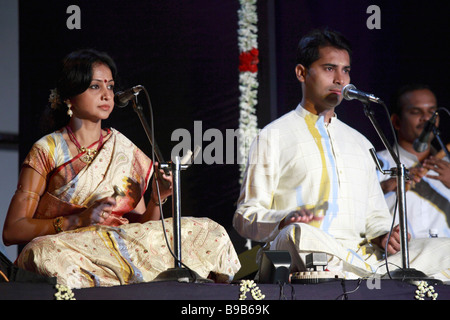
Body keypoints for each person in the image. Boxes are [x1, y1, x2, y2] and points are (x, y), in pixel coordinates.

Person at [2, 49, 240, 288]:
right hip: (71, 247)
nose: (107, 95)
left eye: (110, 86)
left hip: (120, 245)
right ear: (69, 97)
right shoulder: (48, 149)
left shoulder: (125, 151)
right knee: (43, 252)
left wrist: (158, 198)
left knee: (209, 230)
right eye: (95, 87)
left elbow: (141, 229)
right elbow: (12, 230)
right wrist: (77, 221)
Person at [233, 28, 450, 282]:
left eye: (345, 70)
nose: (340, 79)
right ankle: (368, 274)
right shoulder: (273, 136)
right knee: (299, 234)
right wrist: (283, 219)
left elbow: (376, 216)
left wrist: (384, 235)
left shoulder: (360, 143)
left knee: (444, 248)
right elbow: (245, 216)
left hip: (365, 256)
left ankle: (362, 273)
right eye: (329, 69)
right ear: (302, 73)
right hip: (308, 249)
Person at [377, 84, 450, 238]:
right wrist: (384, 187)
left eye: (432, 112)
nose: (426, 118)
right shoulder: (377, 163)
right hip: (400, 257)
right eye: (416, 112)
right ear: (396, 121)